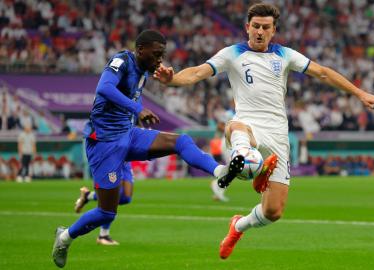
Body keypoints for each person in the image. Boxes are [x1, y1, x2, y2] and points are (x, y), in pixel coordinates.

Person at [154, 3, 374, 260]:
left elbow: (322, 73)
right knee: (236, 126)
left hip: (278, 135)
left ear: (273, 30)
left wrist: (359, 93)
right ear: (247, 27)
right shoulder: (232, 54)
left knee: (273, 212)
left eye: (266, 27)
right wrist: (173, 79)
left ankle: (238, 225)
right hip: (247, 125)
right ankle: (244, 160)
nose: (260, 31)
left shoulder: (285, 55)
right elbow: (198, 72)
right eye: (255, 26)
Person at [52, 29, 244, 268]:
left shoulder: (145, 70)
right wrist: (137, 110)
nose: (159, 60)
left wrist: (143, 105)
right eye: (156, 54)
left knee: (181, 141)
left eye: (162, 55)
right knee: (107, 212)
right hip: (104, 144)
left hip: (128, 135)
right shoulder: (121, 60)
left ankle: (220, 173)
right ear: (140, 50)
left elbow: (136, 92)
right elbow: (105, 88)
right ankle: (64, 237)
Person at [74, 162, 134, 245]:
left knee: (125, 198)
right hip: (114, 156)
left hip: (127, 158)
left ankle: (87, 196)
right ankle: (103, 235)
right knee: (115, 194)